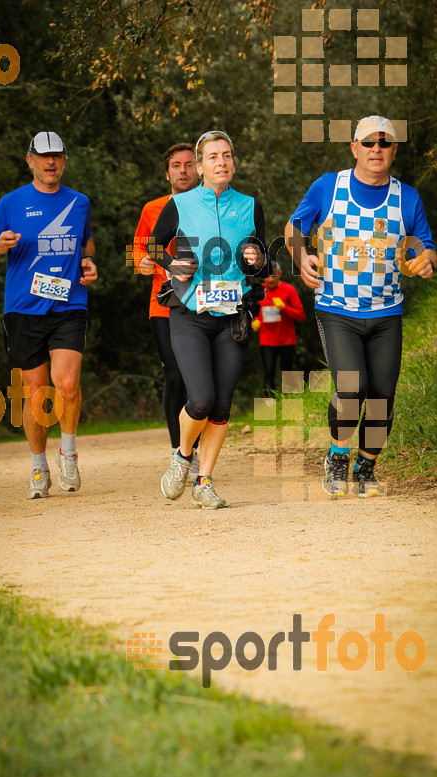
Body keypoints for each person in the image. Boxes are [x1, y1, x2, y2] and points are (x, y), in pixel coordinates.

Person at [285, 115, 437, 498]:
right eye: (368, 143)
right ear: (354, 148)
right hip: (337, 307)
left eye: (384, 143)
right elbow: (294, 229)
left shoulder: (408, 197)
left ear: (394, 150)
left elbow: (425, 248)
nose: (376, 149)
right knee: (353, 388)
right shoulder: (328, 187)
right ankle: (337, 455)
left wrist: (427, 263)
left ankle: (366, 467)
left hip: (386, 311)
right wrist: (301, 257)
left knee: (383, 395)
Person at [150, 130, 270, 508]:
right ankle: (183, 456)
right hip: (189, 314)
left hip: (233, 316)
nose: (221, 162)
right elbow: (151, 246)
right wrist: (172, 264)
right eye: (213, 157)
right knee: (200, 399)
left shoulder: (250, 205)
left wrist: (258, 260)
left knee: (221, 406)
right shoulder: (179, 204)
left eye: (227, 156)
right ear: (200, 167)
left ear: (233, 162)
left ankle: (205, 480)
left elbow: (263, 263)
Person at [0, 131, 97, 499]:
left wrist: (90, 261)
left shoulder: (79, 202)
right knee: (36, 392)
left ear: (64, 160)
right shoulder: (10, 203)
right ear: (29, 160)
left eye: (57, 157)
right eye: (44, 157)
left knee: (66, 384)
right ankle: (37, 467)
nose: (51, 163)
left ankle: (69, 452)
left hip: (68, 304)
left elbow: (86, 242)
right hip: (22, 309)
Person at [132, 143, 200, 477]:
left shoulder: (211, 205)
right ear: (167, 172)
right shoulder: (153, 208)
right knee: (174, 374)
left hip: (205, 303)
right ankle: (179, 451)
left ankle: (193, 449)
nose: (183, 170)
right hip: (164, 304)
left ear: (199, 168)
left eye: (189, 164)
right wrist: (143, 263)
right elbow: (137, 254)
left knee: (198, 380)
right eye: (177, 165)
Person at [251, 262, 306, 393]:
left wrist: (284, 307)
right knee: (268, 370)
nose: (270, 279)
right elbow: (253, 312)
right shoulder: (258, 291)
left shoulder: (289, 290)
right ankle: (268, 405)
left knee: (288, 370)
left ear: (279, 274)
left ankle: (292, 403)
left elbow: (302, 316)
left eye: (273, 276)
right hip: (267, 339)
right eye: (267, 276)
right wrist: (254, 322)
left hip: (287, 339)